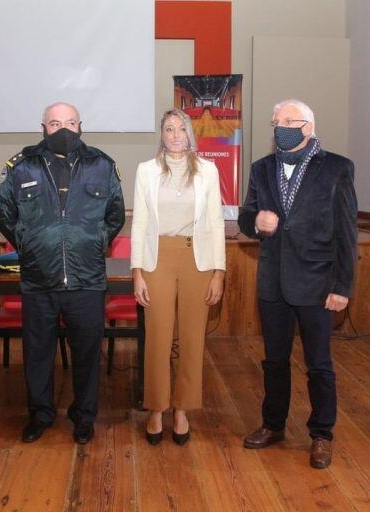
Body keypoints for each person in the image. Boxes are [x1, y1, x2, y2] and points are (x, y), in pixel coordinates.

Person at [0, 102, 125, 444]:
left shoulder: (102, 164)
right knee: (37, 354)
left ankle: (84, 417)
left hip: (86, 279)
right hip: (39, 279)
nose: (63, 129)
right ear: (43, 127)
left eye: (70, 122)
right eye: (55, 123)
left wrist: (95, 242)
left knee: (86, 354)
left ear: (82, 126)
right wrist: (29, 244)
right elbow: (3, 213)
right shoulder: (22, 166)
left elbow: (115, 214)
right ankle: (40, 415)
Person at [238, 99, 357, 468]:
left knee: (318, 364)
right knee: (274, 361)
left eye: (288, 120)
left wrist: (342, 287)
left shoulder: (337, 167)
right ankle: (273, 425)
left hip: (318, 283)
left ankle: (322, 434)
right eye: (276, 121)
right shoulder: (261, 168)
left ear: (308, 125)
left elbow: (347, 232)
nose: (280, 126)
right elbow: (245, 216)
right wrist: (258, 221)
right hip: (273, 281)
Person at [131, 109, 226, 446]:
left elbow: (216, 222)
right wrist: (137, 272)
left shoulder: (208, 172)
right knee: (157, 336)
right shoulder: (146, 171)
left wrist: (219, 272)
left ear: (189, 134)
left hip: (197, 260)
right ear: (162, 134)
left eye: (180, 128)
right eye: (168, 128)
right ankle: (157, 408)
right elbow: (140, 223)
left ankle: (183, 409)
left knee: (191, 338)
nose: (174, 134)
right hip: (157, 258)